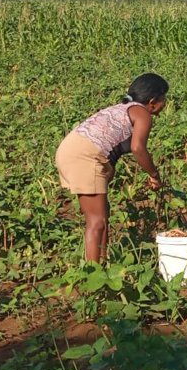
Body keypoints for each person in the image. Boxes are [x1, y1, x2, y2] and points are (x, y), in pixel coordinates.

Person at [56, 73, 168, 262]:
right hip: (84, 156)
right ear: (152, 101)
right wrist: (154, 175)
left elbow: (108, 146)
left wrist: (108, 170)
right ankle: (93, 275)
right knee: (96, 221)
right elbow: (137, 148)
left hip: (71, 150)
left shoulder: (122, 108)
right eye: (164, 98)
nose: (164, 105)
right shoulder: (142, 113)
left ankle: (103, 261)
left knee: (102, 215)